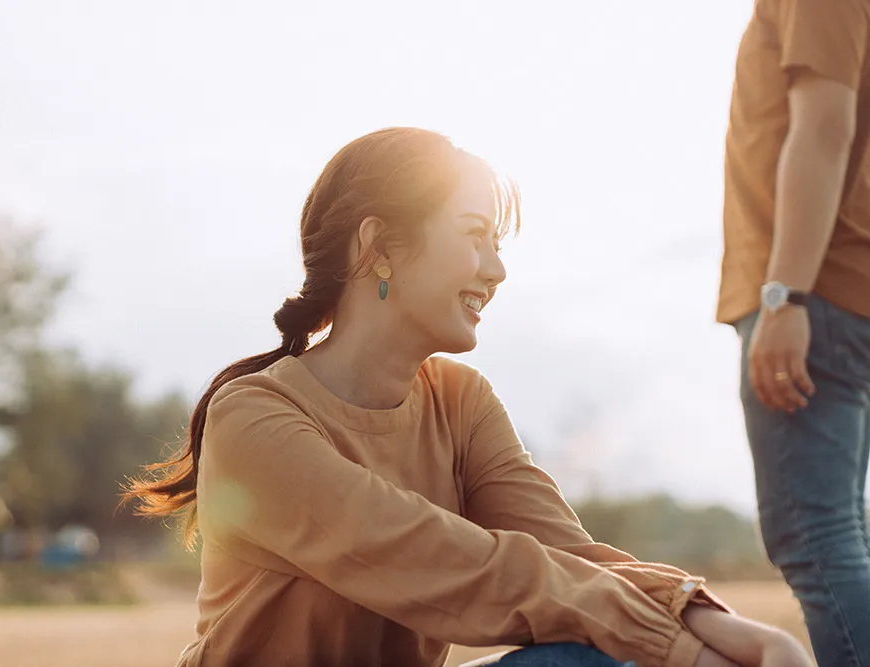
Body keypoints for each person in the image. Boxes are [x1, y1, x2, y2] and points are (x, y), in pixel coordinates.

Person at [125, 127, 811, 667]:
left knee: (600, 655)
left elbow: (571, 561)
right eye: (476, 237)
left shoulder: (460, 399)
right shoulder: (254, 418)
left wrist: (711, 621)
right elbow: (455, 565)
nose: (498, 269)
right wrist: (685, 653)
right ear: (379, 247)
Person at [717, 1, 870, 665]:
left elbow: (824, 127)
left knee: (815, 535)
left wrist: (785, 295)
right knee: (841, 534)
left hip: (812, 292)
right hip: (831, 291)